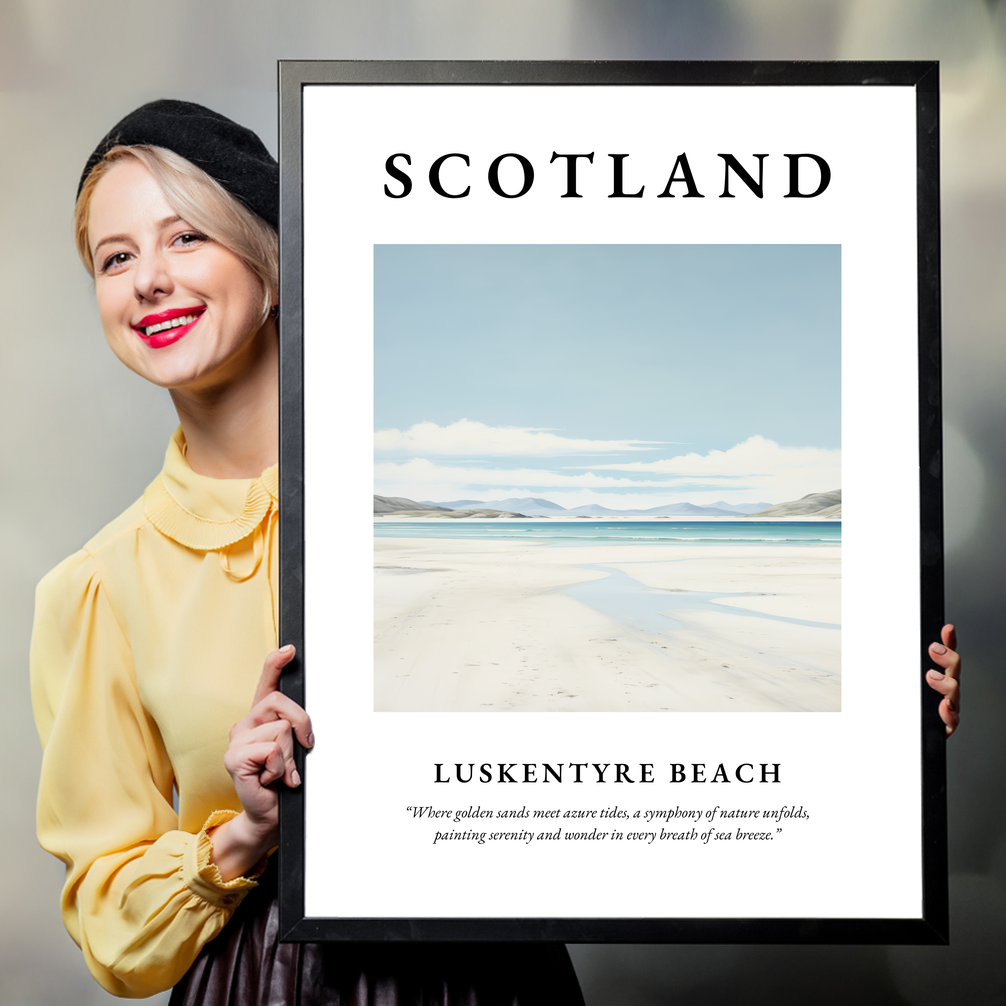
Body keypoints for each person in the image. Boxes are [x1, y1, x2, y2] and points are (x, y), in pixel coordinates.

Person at [30, 100, 585, 1004]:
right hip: (262, 981)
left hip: (491, 972)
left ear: (274, 264)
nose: (148, 281)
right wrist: (245, 832)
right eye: (116, 257)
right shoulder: (97, 587)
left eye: (186, 239)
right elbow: (110, 924)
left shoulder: (437, 508)